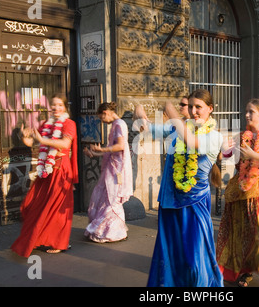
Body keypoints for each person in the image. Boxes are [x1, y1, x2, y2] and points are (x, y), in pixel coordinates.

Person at [141, 89, 224, 287]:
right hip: (170, 203)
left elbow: (192, 142)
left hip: (194, 204)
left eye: (199, 107)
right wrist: (140, 114)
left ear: (210, 109)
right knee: (171, 256)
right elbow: (148, 129)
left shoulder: (214, 136)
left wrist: (171, 111)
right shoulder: (176, 130)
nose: (194, 111)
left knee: (194, 260)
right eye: (191, 106)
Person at [216, 99, 259, 287]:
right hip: (240, 194)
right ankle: (243, 272)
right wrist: (224, 149)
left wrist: (253, 155)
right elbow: (225, 157)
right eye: (246, 111)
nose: (247, 115)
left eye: (251, 112)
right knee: (240, 235)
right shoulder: (240, 137)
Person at [11, 93, 78, 257]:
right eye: (54, 105)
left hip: (61, 170)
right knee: (35, 204)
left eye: (60, 105)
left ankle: (60, 243)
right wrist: (24, 136)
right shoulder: (46, 124)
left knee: (57, 208)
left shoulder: (69, 124)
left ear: (65, 108)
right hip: (45, 172)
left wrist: (43, 139)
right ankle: (40, 237)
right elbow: (32, 142)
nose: (56, 108)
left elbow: (65, 143)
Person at [83, 102, 133, 243]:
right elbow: (112, 151)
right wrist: (94, 153)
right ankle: (111, 231)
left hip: (117, 169)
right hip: (113, 167)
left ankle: (112, 231)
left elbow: (119, 146)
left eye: (101, 118)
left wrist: (101, 150)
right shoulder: (117, 124)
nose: (102, 121)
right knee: (108, 197)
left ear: (106, 112)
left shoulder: (118, 124)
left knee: (112, 198)